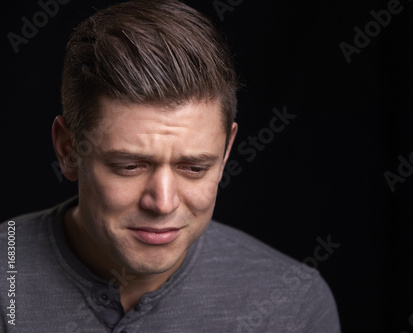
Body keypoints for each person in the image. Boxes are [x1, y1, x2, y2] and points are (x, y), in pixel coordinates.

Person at [0, 0, 341, 331]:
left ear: (225, 155)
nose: (163, 203)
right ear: (68, 150)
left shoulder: (291, 306)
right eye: (130, 166)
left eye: (194, 168)